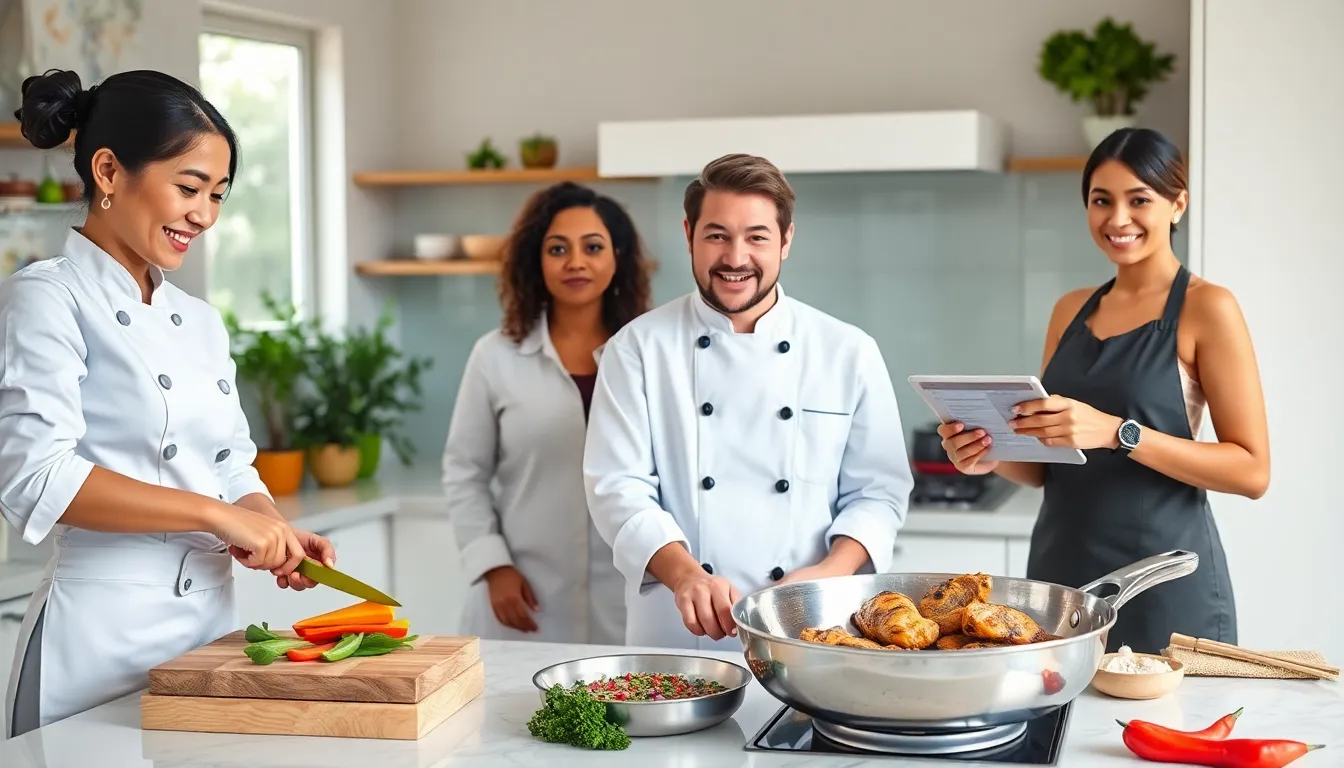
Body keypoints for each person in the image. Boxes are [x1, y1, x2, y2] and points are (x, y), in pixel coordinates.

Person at [2, 69, 336, 737]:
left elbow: (230, 462)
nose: (204, 215)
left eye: (217, 195)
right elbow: (36, 477)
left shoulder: (201, 320)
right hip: (95, 641)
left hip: (207, 635)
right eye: (189, 188)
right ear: (108, 171)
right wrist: (217, 516)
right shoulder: (46, 297)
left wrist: (268, 525)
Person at [937, 128, 1269, 654]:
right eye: (1101, 200)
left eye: (1139, 200)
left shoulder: (1208, 308)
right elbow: (1045, 465)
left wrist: (1119, 433)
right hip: (1061, 578)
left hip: (1162, 580)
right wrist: (989, 455)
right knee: (1059, 707)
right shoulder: (1070, 310)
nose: (1117, 219)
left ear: (1177, 204)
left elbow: (1252, 471)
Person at [582, 153, 914, 651]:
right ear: (689, 234)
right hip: (678, 631)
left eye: (756, 237)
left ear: (786, 240)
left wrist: (829, 572)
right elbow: (616, 488)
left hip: (809, 626)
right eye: (717, 235)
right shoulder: (636, 349)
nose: (735, 258)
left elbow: (879, 492)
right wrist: (685, 575)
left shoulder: (847, 351)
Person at [442, 182, 652, 644]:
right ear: (535, 260)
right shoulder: (495, 356)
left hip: (629, 598)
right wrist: (492, 565)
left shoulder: (649, 354)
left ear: (617, 257)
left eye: (592, 247)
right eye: (558, 248)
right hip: (523, 594)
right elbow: (464, 473)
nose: (575, 262)